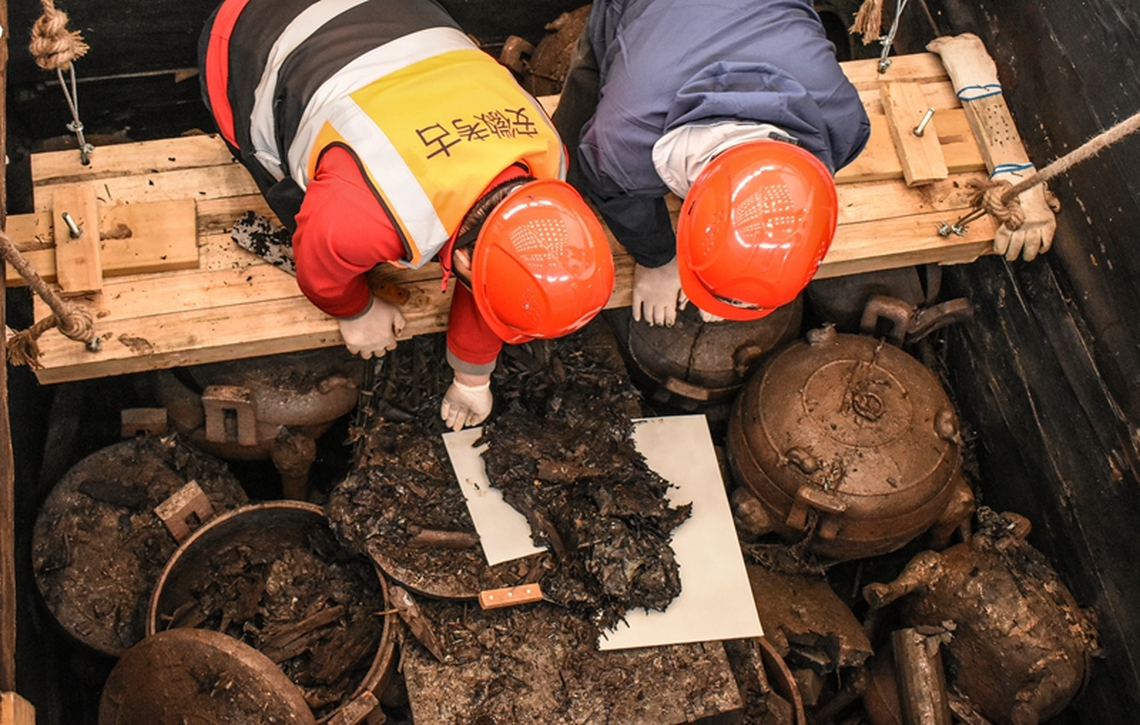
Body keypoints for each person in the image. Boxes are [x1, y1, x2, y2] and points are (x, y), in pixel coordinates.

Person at [198, 0, 615, 431]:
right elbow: (319, 266)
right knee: (285, 184)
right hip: (248, 29)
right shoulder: (361, 218)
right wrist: (355, 311)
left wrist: (473, 377)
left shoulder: (548, 159)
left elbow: (497, 256)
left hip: (392, 17)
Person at [553, 0, 871, 326]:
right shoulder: (623, 143)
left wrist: (733, 282)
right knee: (581, 112)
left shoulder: (845, 121)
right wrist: (658, 260)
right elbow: (612, 190)